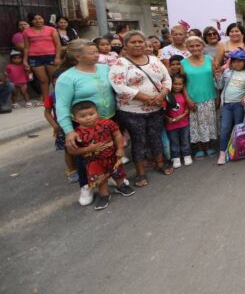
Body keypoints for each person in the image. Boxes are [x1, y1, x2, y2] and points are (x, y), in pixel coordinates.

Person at [56, 39, 117, 206]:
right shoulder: (67, 78)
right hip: (83, 125)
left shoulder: (105, 69)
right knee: (86, 158)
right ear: (78, 56)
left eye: (97, 51)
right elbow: (61, 106)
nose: (97, 54)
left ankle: (107, 177)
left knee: (107, 152)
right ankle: (86, 185)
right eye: (92, 53)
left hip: (107, 120)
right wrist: (69, 130)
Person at [109, 30, 173, 186]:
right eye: (133, 42)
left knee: (155, 136)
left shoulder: (154, 60)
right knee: (139, 140)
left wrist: (162, 94)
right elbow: (119, 87)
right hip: (132, 111)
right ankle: (140, 173)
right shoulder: (120, 64)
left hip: (156, 108)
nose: (138, 45)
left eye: (140, 42)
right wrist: (147, 98)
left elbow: (167, 79)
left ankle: (160, 163)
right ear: (125, 45)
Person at [67, 101, 135, 210]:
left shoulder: (107, 123)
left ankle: (121, 186)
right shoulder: (76, 134)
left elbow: (117, 134)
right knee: (100, 179)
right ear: (75, 119)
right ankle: (104, 195)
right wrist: (88, 149)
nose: (88, 118)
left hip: (112, 156)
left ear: (97, 113)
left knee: (118, 173)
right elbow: (72, 151)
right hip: (93, 161)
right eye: (83, 116)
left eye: (91, 114)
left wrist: (121, 148)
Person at [180, 36, 218, 159]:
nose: (195, 48)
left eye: (198, 45)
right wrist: (187, 99)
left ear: (203, 46)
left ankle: (209, 146)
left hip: (210, 97)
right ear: (187, 47)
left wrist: (217, 96)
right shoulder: (183, 63)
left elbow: (215, 78)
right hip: (193, 99)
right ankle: (200, 148)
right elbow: (182, 84)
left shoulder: (209, 59)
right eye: (192, 46)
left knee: (209, 122)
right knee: (197, 124)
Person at [217, 49, 245, 165]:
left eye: (240, 61)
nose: (237, 64)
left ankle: (235, 150)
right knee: (225, 128)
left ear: (244, 62)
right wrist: (218, 77)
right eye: (235, 61)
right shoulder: (227, 73)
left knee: (238, 129)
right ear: (231, 62)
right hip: (226, 104)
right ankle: (222, 152)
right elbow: (219, 85)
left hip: (238, 105)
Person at [23, 13, 61, 102]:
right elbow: (26, 47)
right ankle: (46, 100)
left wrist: (57, 57)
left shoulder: (51, 29)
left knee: (55, 79)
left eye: (40, 18)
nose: (38, 21)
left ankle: (59, 98)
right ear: (31, 21)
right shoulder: (27, 31)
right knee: (42, 80)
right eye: (35, 19)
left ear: (43, 19)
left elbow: (58, 44)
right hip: (35, 58)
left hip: (51, 56)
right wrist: (25, 60)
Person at [165, 73, 192, 169]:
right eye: (175, 84)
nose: (177, 86)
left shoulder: (184, 95)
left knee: (185, 140)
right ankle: (176, 157)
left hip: (184, 123)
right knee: (174, 142)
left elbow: (187, 109)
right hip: (171, 125)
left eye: (180, 84)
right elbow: (163, 110)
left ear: (183, 85)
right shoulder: (167, 95)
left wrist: (182, 116)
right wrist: (167, 118)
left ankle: (187, 155)